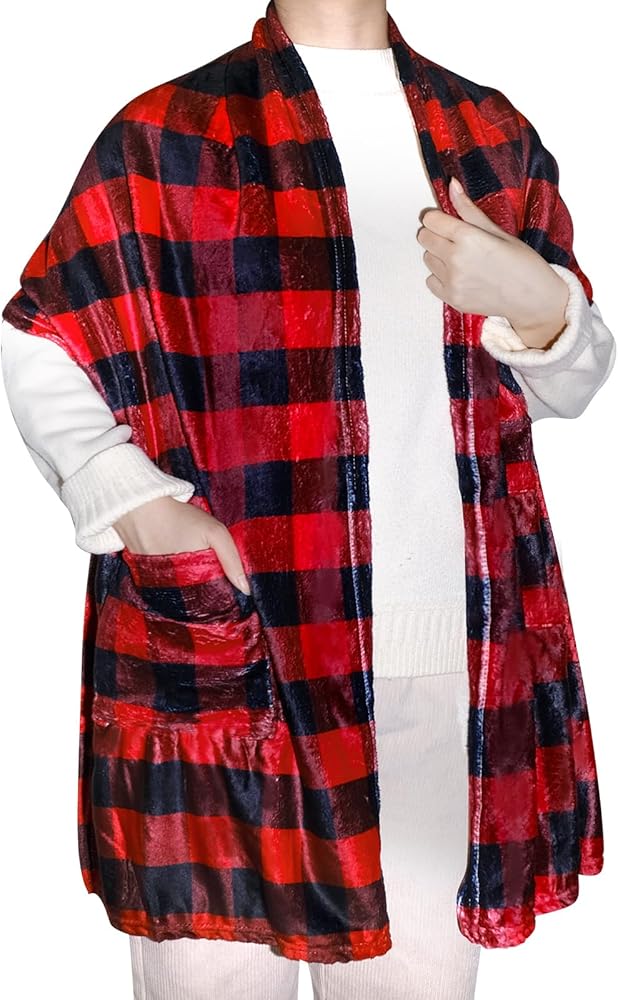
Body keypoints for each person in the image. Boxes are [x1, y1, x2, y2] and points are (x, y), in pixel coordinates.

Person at [1, 1, 614, 997]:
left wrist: (544, 305)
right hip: (240, 657)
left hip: (444, 669)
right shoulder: (167, 134)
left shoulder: (490, 133)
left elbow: (566, 384)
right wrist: (142, 505)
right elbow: (44, 337)